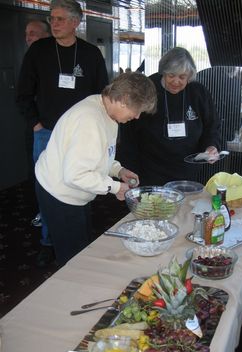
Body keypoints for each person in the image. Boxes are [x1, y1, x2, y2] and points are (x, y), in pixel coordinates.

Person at [17, 0, 109, 267]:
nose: (53, 24)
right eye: (52, 19)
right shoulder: (39, 51)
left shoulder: (91, 54)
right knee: (48, 187)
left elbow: (101, 95)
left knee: (81, 182)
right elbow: (23, 93)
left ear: (75, 22)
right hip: (46, 132)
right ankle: (49, 241)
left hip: (83, 135)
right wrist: (36, 124)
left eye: (59, 19)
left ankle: (78, 237)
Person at [35, 72, 157, 267]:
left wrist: (119, 170)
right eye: (137, 110)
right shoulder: (89, 121)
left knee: (82, 248)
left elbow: (100, 155)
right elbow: (75, 175)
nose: (137, 116)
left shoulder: (105, 109)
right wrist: (116, 188)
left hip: (74, 190)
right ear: (124, 100)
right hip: (59, 193)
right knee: (73, 260)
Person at [117, 47, 221, 186]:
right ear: (163, 71)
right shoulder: (147, 89)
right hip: (150, 172)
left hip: (188, 174)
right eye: (171, 75)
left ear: (189, 75)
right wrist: (129, 171)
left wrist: (212, 146)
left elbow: (212, 126)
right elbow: (129, 135)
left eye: (182, 77)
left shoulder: (198, 93)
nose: (176, 81)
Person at [23, 20, 51, 228]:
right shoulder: (30, 58)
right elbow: (22, 96)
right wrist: (36, 125)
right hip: (41, 130)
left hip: (67, 130)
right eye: (27, 34)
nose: (28, 37)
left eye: (33, 33)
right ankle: (44, 219)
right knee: (41, 176)